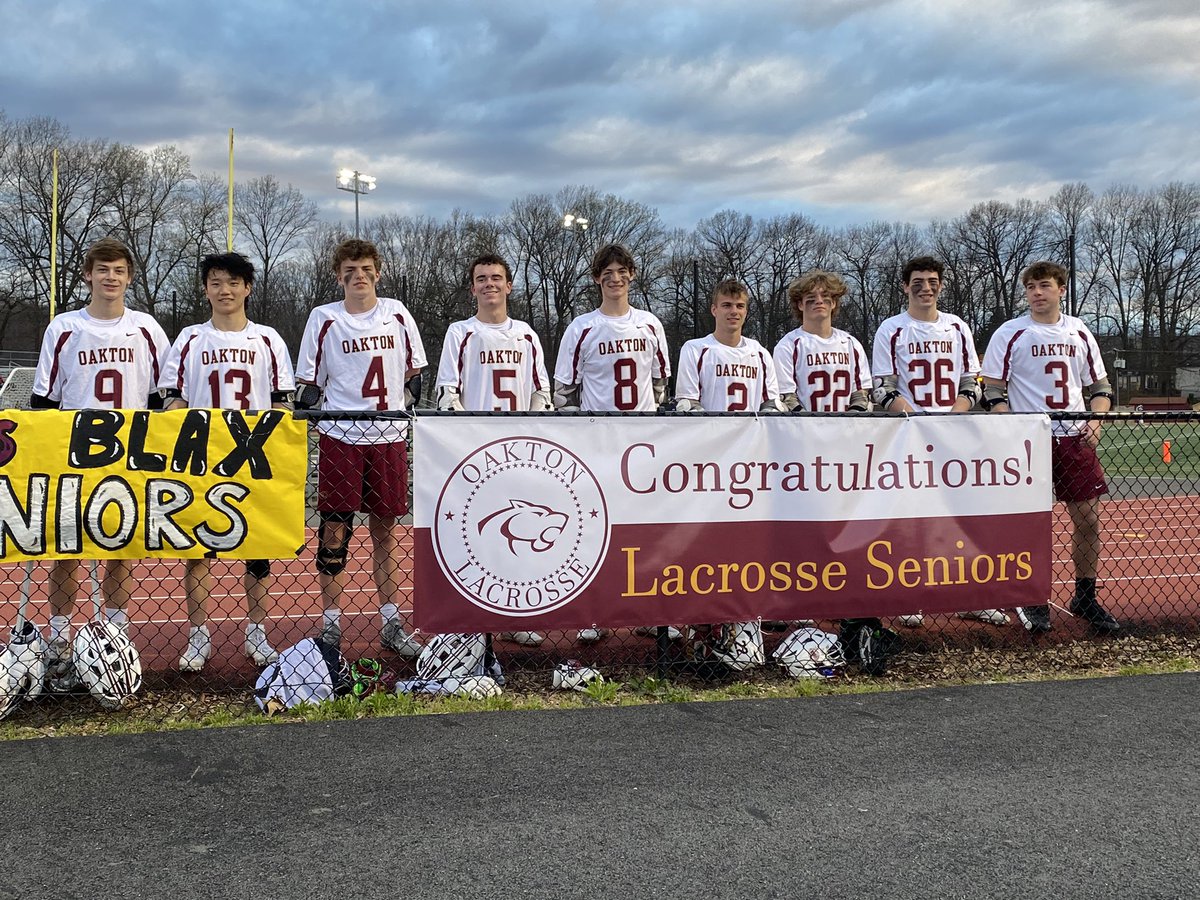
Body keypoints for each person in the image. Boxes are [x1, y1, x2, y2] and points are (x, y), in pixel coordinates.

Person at [30, 237, 170, 686]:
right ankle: (59, 638)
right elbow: (43, 402)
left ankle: (114, 632)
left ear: (130, 277)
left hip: (129, 453)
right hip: (76, 454)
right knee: (67, 549)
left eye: (119, 270)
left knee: (121, 547)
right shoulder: (64, 327)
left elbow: (164, 399)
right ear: (88, 274)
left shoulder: (146, 327)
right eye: (103, 269)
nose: (111, 277)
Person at [158, 251, 296, 670]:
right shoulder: (190, 338)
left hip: (253, 453)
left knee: (257, 549)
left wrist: (267, 439)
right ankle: (199, 635)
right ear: (205, 290)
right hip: (204, 453)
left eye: (234, 282)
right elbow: (173, 397)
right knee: (198, 549)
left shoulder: (267, 339)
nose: (225, 290)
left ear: (247, 288)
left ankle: (257, 632)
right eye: (216, 282)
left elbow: (282, 402)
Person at [295, 238, 427, 657]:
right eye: (350, 271)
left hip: (388, 436)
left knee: (386, 533)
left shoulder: (397, 313)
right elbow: (309, 385)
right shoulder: (324, 318)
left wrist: (398, 408)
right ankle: (331, 624)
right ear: (338, 276)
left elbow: (414, 377)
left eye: (366, 269)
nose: (359, 277)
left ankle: (390, 621)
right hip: (342, 437)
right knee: (333, 531)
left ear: (378, 273)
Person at [981, 260, 1119, 634]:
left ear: (1061, 289)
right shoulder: (1011, 332)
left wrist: (1096, 421)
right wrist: (1011, 425)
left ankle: (1085, 595)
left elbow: (1101, 388)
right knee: (1030, 523)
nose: (1037, 293)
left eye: (1044, 285)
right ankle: (1031, 595)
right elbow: (992, 388)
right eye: (1030, 287)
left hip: (1074, 436)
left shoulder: (1079, 331)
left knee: (1088, 519)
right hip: (1030, 439)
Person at [871, 256, 1009, 628]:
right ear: (905, 286)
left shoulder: (957, 326)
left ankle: (969, 595)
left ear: (941, 285)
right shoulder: (892, 328)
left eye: (932, 281)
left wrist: (953, 414)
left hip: (952, 432)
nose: (925, 288)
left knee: (962, 516)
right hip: (909, 433)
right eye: (917, 281)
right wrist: (918, 419)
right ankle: (909, 593)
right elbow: (882, 387)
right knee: (911, 516)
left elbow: (972, 381)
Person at [773, 270, 893, 673]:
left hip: (846, 448)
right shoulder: (790, 344)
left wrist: (846, 424)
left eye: (825, 296)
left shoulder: (850, 343)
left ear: (836, 302)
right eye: (810, 297)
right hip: (806, 447)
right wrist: (815, 428)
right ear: (799, 304)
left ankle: (845, 602)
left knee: (847, 527)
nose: (818, 302)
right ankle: (800, 602)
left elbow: (862, 392)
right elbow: (786, 397)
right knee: (807, 528)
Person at [553, 242, 671, 643]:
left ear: (632, 275)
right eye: (607, 272)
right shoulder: (582, 327)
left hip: (642, 443)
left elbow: (659, 383)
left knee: (646, 528)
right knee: (596, 528)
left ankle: (650, 610)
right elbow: (564, 392)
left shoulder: (650, 324)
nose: (615, 278)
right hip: (600, 442)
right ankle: (595, 611)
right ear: (596, 278)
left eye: (622, 271)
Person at [436, 253, 551, 647]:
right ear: (473, 288)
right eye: (482, 278)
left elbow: (541, 392)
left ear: (509, 285)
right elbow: (447, 392)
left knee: (516, 538)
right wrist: (467, 439)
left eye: (496, 278)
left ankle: (512, 614)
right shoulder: (460, 333)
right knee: (473, 535)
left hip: (518, 452)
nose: (490, 284)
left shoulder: (526, 334)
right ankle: (472, 618)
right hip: (476, 451)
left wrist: (528, 435)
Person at [674, 278, 780, 662]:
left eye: (739, 306)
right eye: (726, 305)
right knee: (704, 540)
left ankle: (747, 613)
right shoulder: (696, 349)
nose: (733, 311)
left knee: (748, 539)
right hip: (709, 462)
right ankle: (695, 617)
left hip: (749, 463)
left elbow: (772, 407)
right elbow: (687, 404)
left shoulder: (760, 354)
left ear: (746, 311)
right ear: (713, 309)